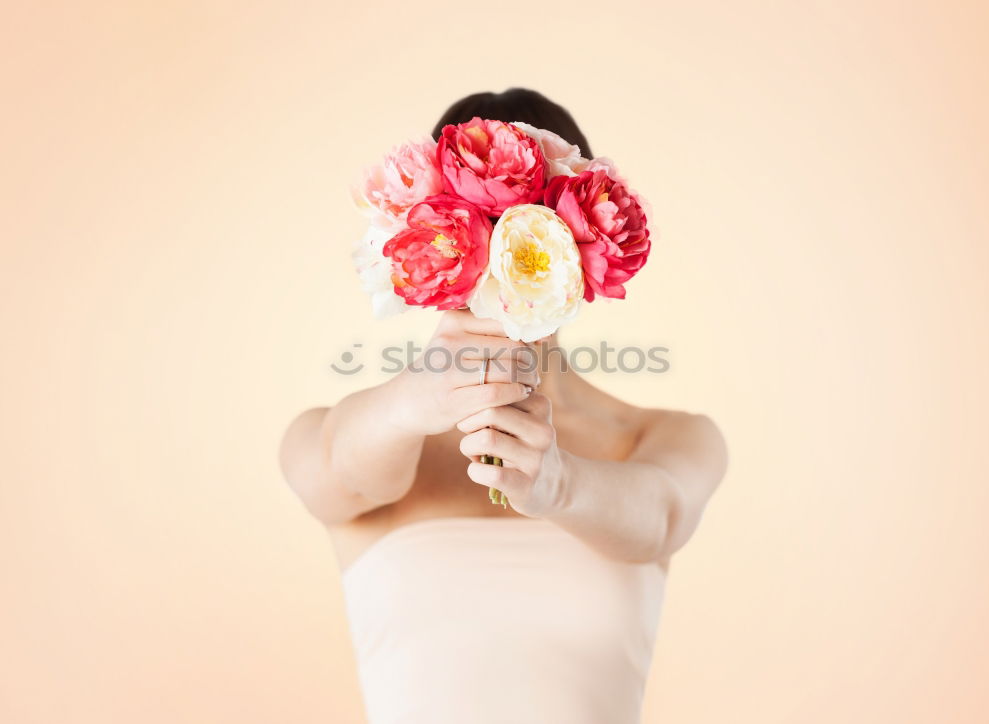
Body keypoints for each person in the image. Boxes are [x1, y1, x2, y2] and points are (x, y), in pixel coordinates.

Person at [279, 88, 728, 724]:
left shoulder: (663, 439)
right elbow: (334, 477)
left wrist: (559, 484)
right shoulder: (358, 438)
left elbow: (659, 516)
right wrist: (412, 402)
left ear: (584, 261)